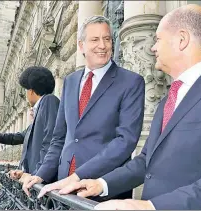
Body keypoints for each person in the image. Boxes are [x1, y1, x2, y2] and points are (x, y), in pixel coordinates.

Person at [57, 4, 201, 210]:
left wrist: (150, 206)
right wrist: (101, 184)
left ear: (182, 40)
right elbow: (145, 162)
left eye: (158, 39)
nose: (153, 47)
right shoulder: (168, 100)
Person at [22, 15, 145, 201]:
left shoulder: (131, 82)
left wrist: (77, 176)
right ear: (81, 46)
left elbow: (125, 141)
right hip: (63, 187)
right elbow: (59, 138)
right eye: (95, 39)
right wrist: (41, 174)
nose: (102, 45)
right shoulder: (70, 81)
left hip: (102, 189)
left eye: (107, 39)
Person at [0, 66, 60, 180]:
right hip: (32, 179)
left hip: (38, 180)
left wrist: (37, 175)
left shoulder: (49, 100)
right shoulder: (41, 107)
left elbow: (50, 142)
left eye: (26, 90)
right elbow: (18, 137)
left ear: (31, 90)